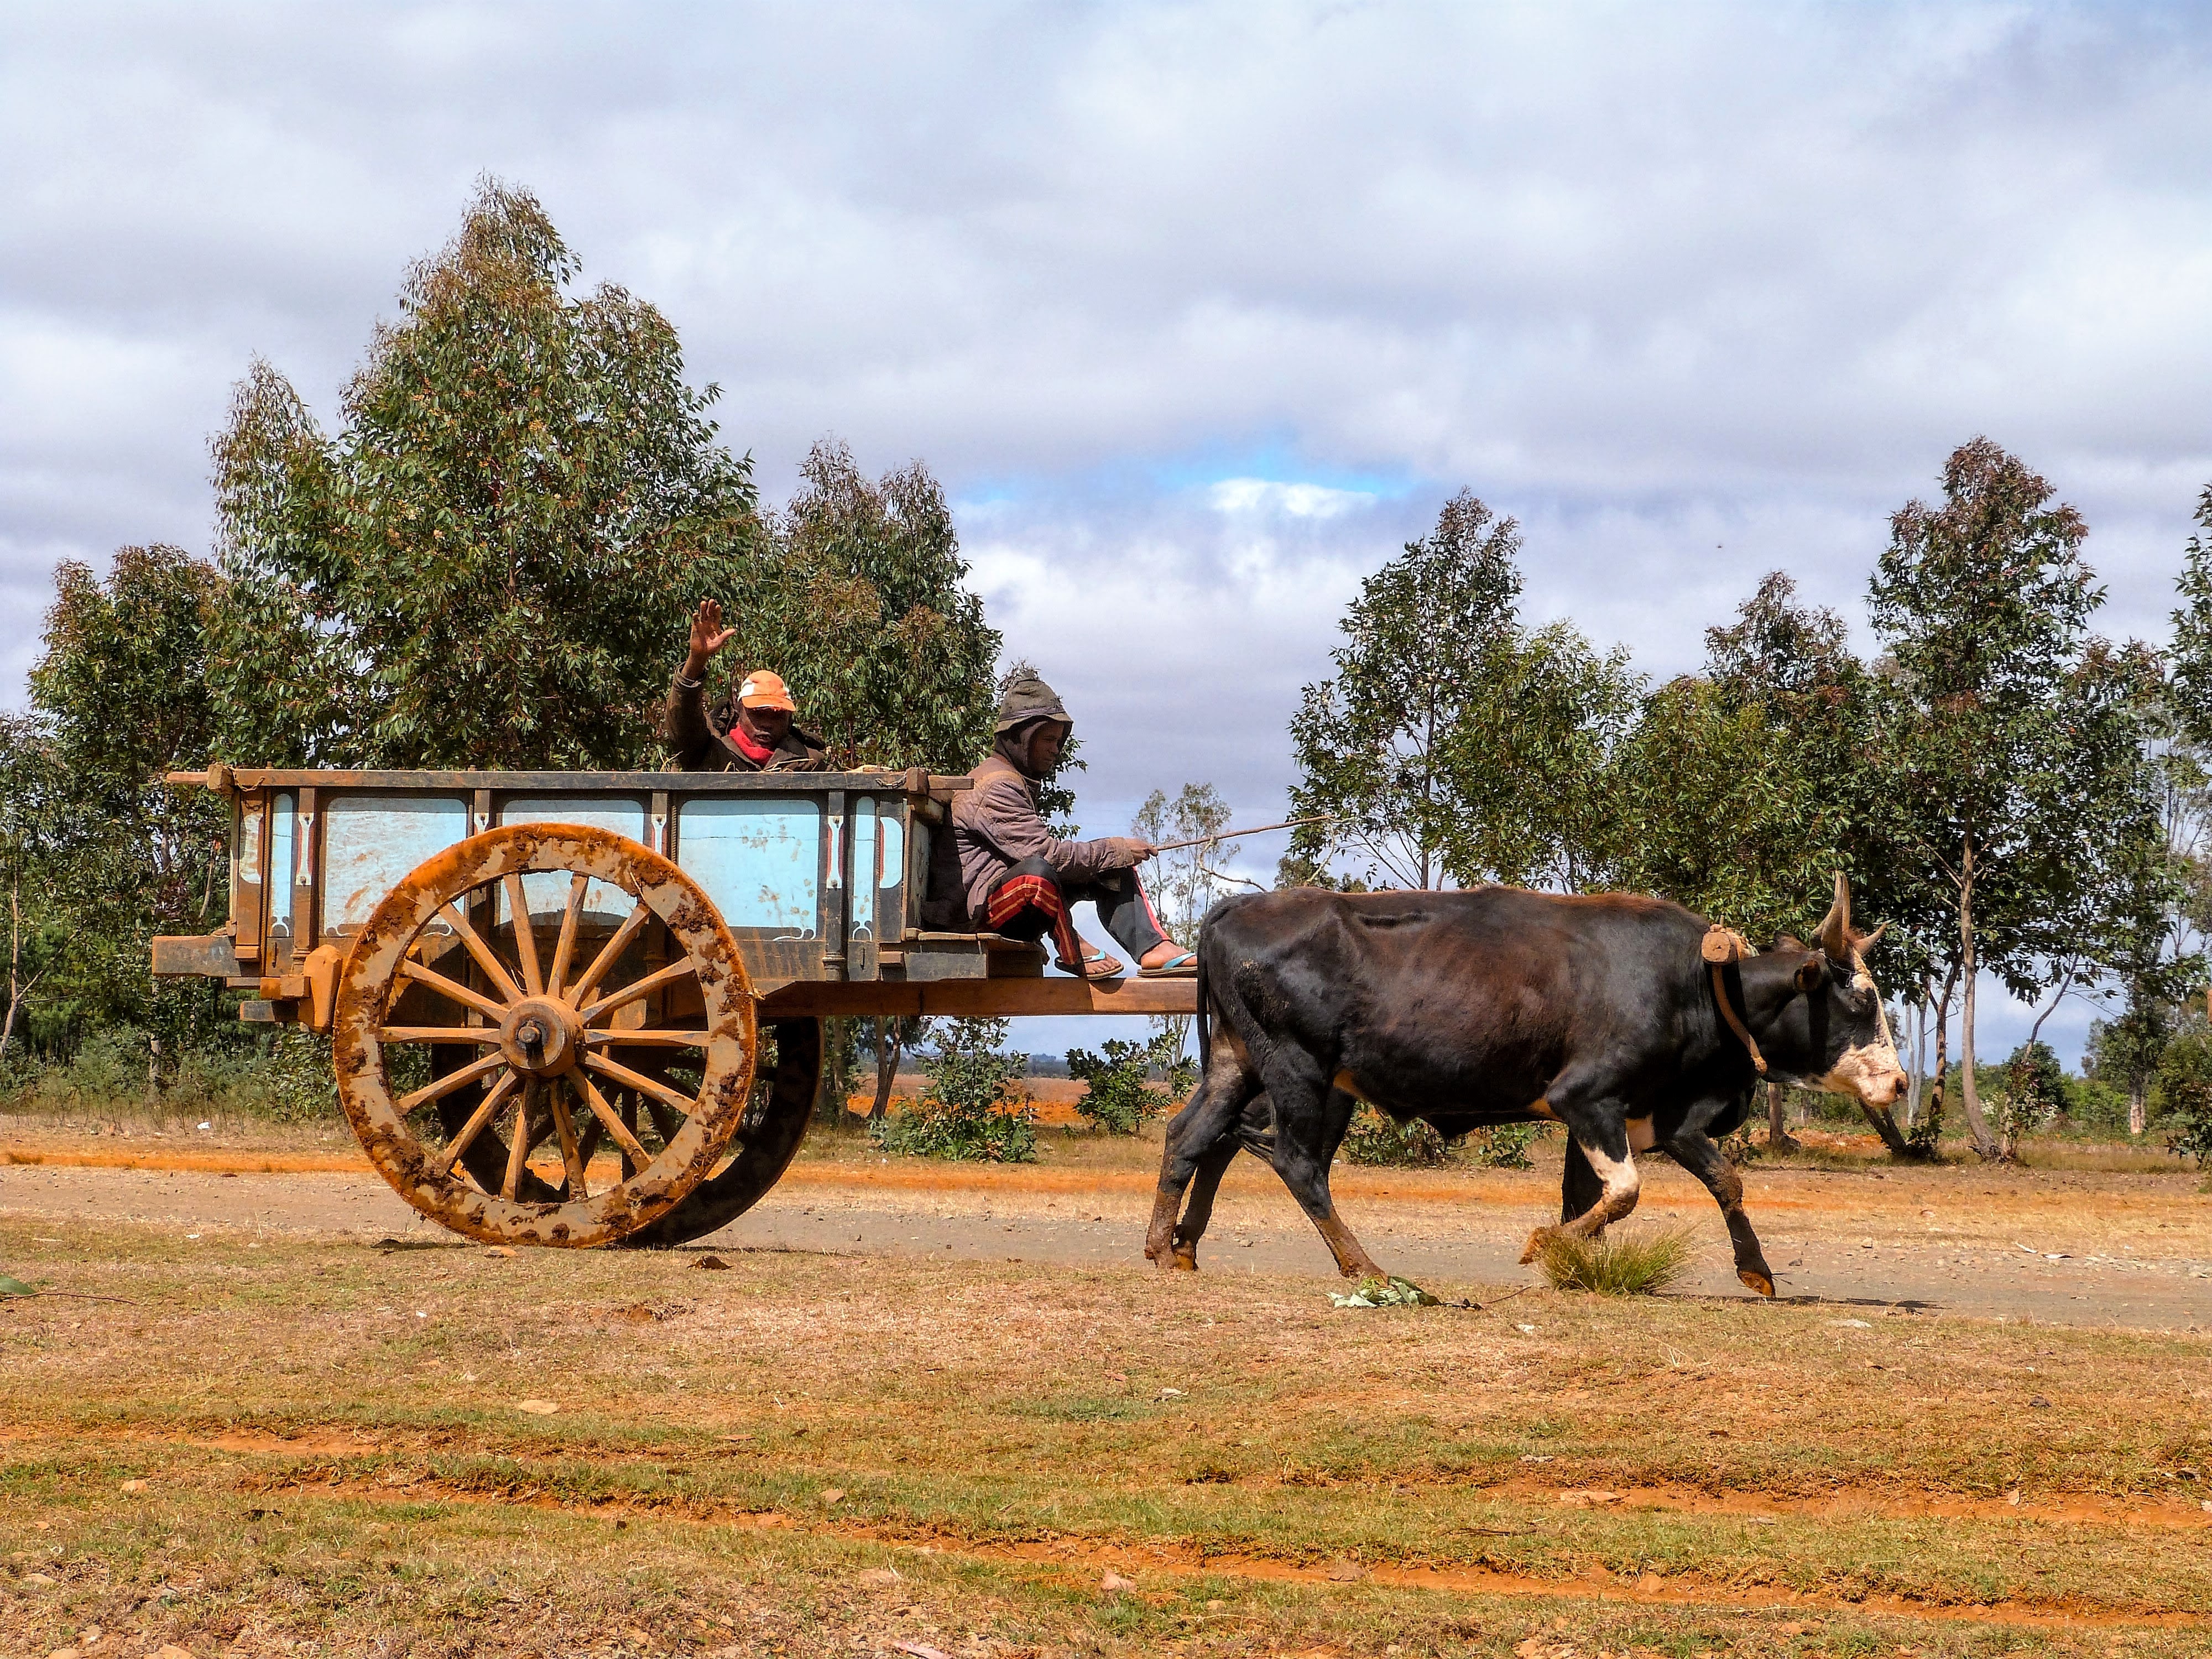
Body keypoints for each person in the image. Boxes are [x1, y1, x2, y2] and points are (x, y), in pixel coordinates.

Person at [952, 670, 1197, 980]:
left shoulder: (1011, 779)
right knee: (1038, 875)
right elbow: (1047, 856)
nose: (1056, 750)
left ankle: (1153, 949)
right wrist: (1116, 847)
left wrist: (1115, 856)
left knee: (1112, 867)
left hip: (1004, 901)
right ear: (1020, 738)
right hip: (977, 918)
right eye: (1048, 740)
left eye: (1059, 741)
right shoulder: (996, 786)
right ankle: (1074, 952)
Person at [667, 598, 830, 772]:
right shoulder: (708, 752)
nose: (767, 724)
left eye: (777, 716)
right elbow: (683, 721)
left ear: (789, 721)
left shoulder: (811, 764)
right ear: (739, 713)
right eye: (758, 714)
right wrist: (696, 661)